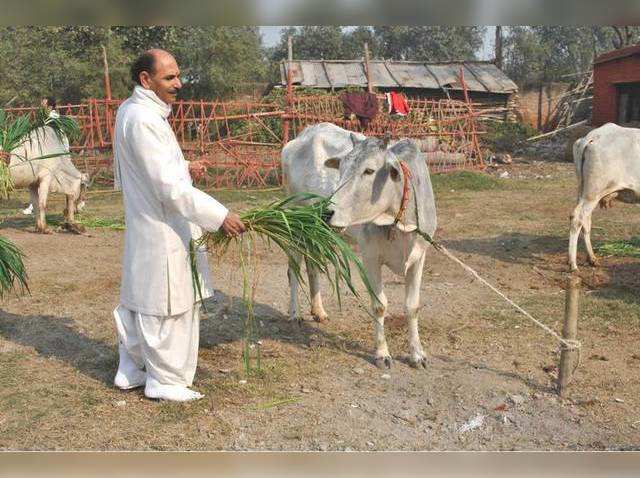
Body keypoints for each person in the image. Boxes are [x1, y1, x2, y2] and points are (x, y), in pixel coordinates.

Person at [112, 49, 246, 402]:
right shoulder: (143, 119)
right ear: (146, 80)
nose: (179, 84)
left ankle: (131, 367)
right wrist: (220, 216)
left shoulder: (133, 110)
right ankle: (165, 380)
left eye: (177, 76)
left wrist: (185, 165)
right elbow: (169, 189)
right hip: (161, 226)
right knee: (169, 303)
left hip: (147, 220)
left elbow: (154, 169)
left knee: (141, 297)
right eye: (170, 77)